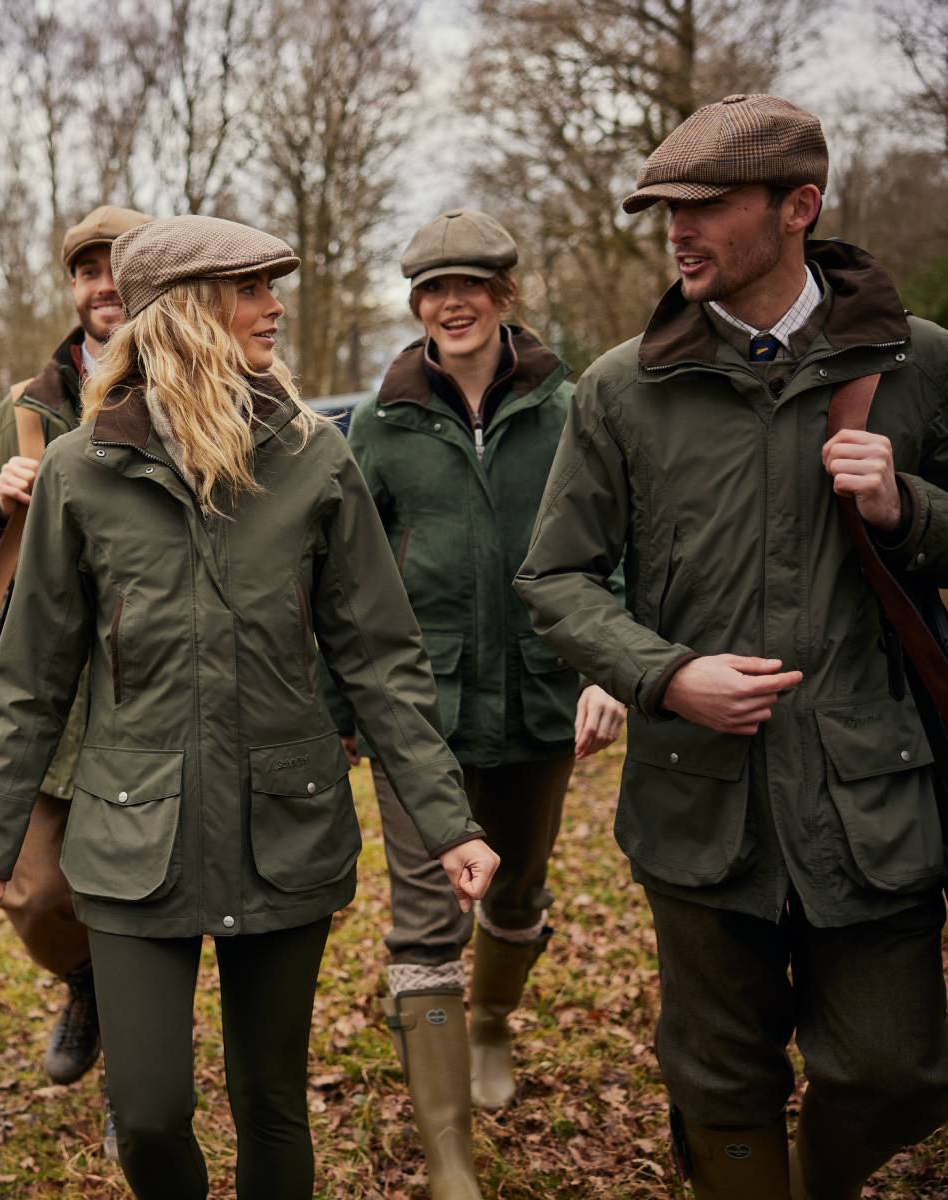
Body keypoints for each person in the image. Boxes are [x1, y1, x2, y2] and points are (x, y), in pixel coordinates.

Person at [0, 214, 500, 1200]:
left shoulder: (312, 459)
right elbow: (31, 681)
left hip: (282, 828)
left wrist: (444, 819)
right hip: (129, 837)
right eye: (249, 289)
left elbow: (380, 661)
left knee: (269, 1103)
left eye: (268, 286)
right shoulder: (81, 469)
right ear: (186, 313)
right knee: (152, 1117)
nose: (273, 306)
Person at [514, 94, 948, 1198]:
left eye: (704, 206)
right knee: (715, 1082)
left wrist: (909, 510)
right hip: (696, 798)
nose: (676, 230)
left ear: (797, 207)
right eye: (665, 208)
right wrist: (665, 674)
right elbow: (553, 578)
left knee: (894, 1075)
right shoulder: (621, 388)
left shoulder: (918, 366)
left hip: (870, 799)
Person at [333, 208, 625, 1199]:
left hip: (542, 697)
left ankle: (493, 1022)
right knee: (424, 923)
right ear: (414, 303)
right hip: (420, 709)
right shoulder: (375, 427)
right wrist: (346, 704)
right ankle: (451, 1164)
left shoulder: (573, 410)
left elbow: (609, 546)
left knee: (516, 894)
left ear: (504, 296)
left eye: (467, 285)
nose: (447, 303)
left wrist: (604, 663)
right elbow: (344, 578)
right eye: (429, 288)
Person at [0, 204, 150, 1144]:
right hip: (45, 698)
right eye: (85, 271)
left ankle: (140, 1087)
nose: (102, 286)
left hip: (151, 687)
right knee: (31, 892)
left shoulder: (195, 385)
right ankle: (86, 985)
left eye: (118, 266)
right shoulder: (27, 408)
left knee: (138, 893)